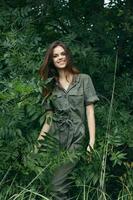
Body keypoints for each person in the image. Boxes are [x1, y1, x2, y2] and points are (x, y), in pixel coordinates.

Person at [38, 41, 99, 200]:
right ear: (51, 60)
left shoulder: (84, 79)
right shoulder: (49, 86)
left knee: (56, 186)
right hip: (55, 141)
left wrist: (91, 142)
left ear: (68, 56)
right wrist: (38, 145)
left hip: (76, 139)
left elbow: (90, 111)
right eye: (55, 55)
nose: (59, 58)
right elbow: (48, 119)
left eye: (62, 54)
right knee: (51, 184)